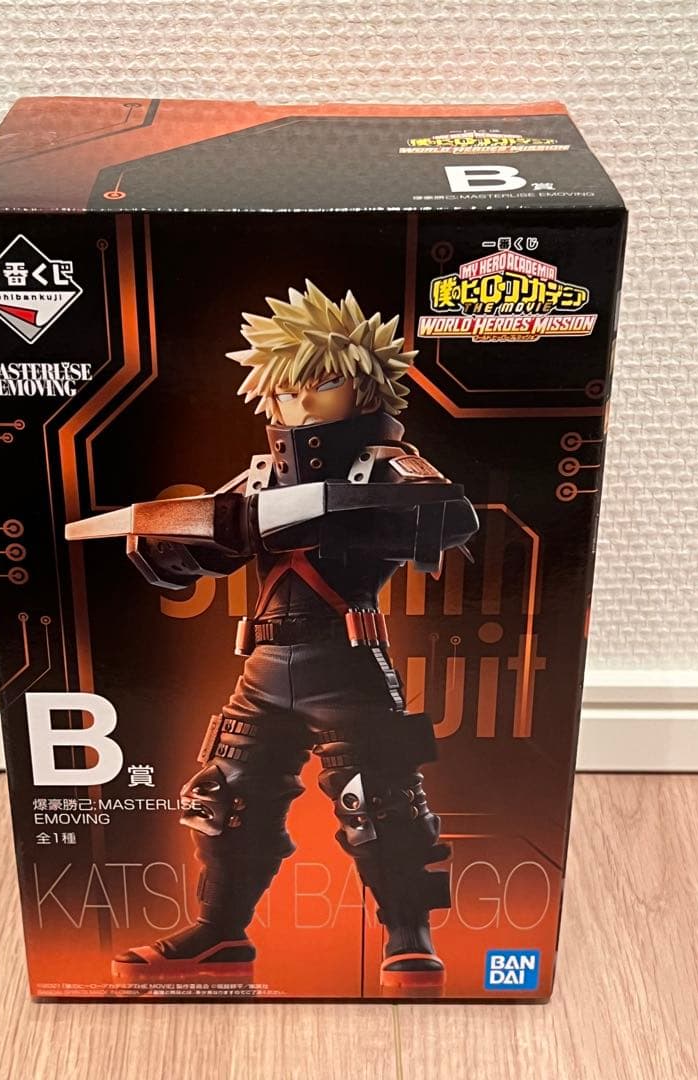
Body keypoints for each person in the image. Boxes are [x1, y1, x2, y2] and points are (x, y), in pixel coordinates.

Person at [67, 281, 478, 988]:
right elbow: (183, 559)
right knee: (224, 798)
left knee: (378, 800)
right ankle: (219, 934)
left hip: (347, 664)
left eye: (321, 386)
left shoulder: (386, 467)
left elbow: (450, 518)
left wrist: (341, 513)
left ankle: (409, 936)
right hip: (262, 671)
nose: (301, 406)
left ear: (366, 389)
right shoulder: (259, 479)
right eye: (286, 392)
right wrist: (182, 539)